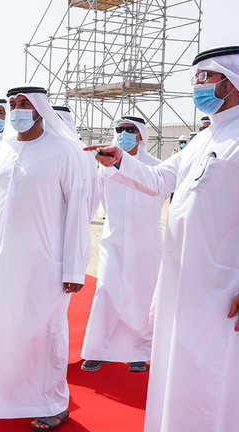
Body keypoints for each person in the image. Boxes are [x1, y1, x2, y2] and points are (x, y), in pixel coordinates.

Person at [86, 46, 239, 432]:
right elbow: (159, 180)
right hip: (180, 284)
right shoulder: (204, 138)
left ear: (232, 81)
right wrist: (119, 161)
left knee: (213, 381)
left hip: (226, 288)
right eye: (195, 78)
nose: (197, 86)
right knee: (178, 376)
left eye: (204, 78)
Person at [0, 84, 90, 432]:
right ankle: (6, 399)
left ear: (39, 109)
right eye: (13, 103)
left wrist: (74, 267)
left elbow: (77, 211)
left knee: (45, 332)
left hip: (45, 262)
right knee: (1, 329)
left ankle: (54, 403)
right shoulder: (2, 150)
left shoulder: (64, 151)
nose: (18, 109)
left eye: (25, 103)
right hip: (2, 260)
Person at [80, 116, 164, 373]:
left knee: (141, 295)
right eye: (119, 129)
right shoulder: (105, 167)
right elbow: (102, 201)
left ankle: (139, 351)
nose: (124, 133)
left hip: (145, 243)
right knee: (106, 289)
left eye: (130, 129)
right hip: (113, 240)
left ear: (141, 135)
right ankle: (100, 350)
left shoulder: (156, 167)